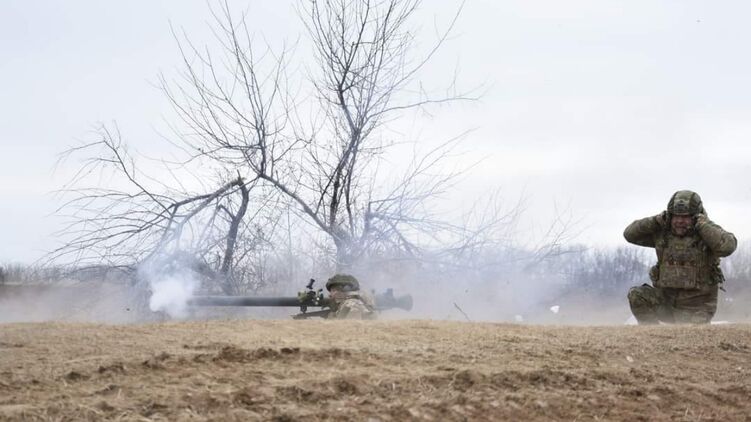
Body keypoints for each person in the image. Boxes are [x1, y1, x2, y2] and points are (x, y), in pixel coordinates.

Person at [624, 190, 737, 324]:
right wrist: (655, 221)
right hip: (666, 303)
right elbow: (629, 234)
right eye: (675, 216)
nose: (679, 221)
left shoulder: (706, 235)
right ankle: (652, 332)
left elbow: (728, 246)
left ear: (696, 216)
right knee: (636, 295)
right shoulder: (663, 234)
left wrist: (703, 226)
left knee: (690, 335)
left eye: (685, 217)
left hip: (696, 309)